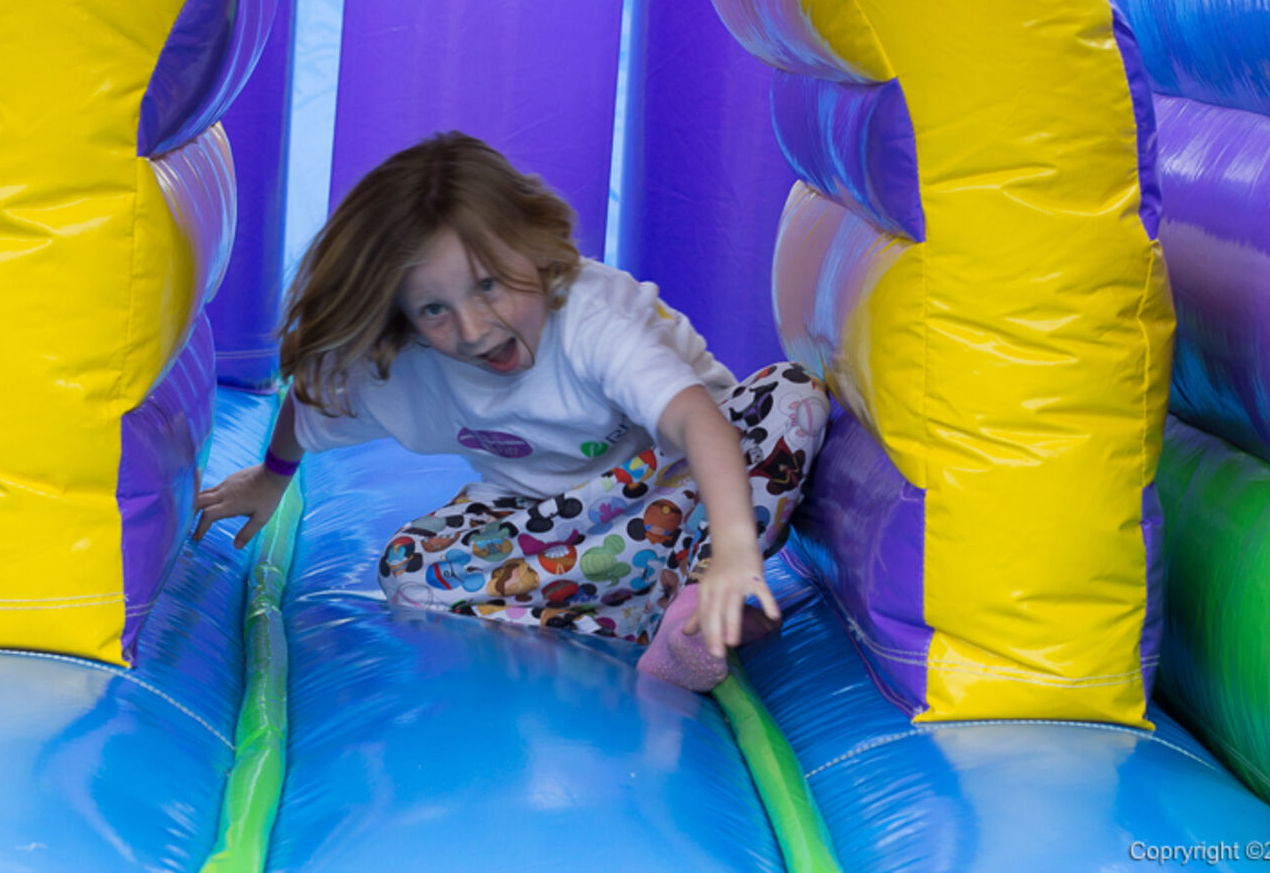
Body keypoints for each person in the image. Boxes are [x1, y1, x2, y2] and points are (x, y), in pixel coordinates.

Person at [192, 132, 829, 691]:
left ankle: (705, 592)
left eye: (489, 285)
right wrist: (271, 479)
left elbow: (698, 422)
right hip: (554, 522)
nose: (472, 329)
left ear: (536, 247)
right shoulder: (411, 365)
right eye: (434, 310)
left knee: (792, 394)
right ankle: (663, 618)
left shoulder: (590, 321)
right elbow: (311, 401)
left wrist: (733, 552)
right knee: (408, 569)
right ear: (405, 318)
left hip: (686, 490)